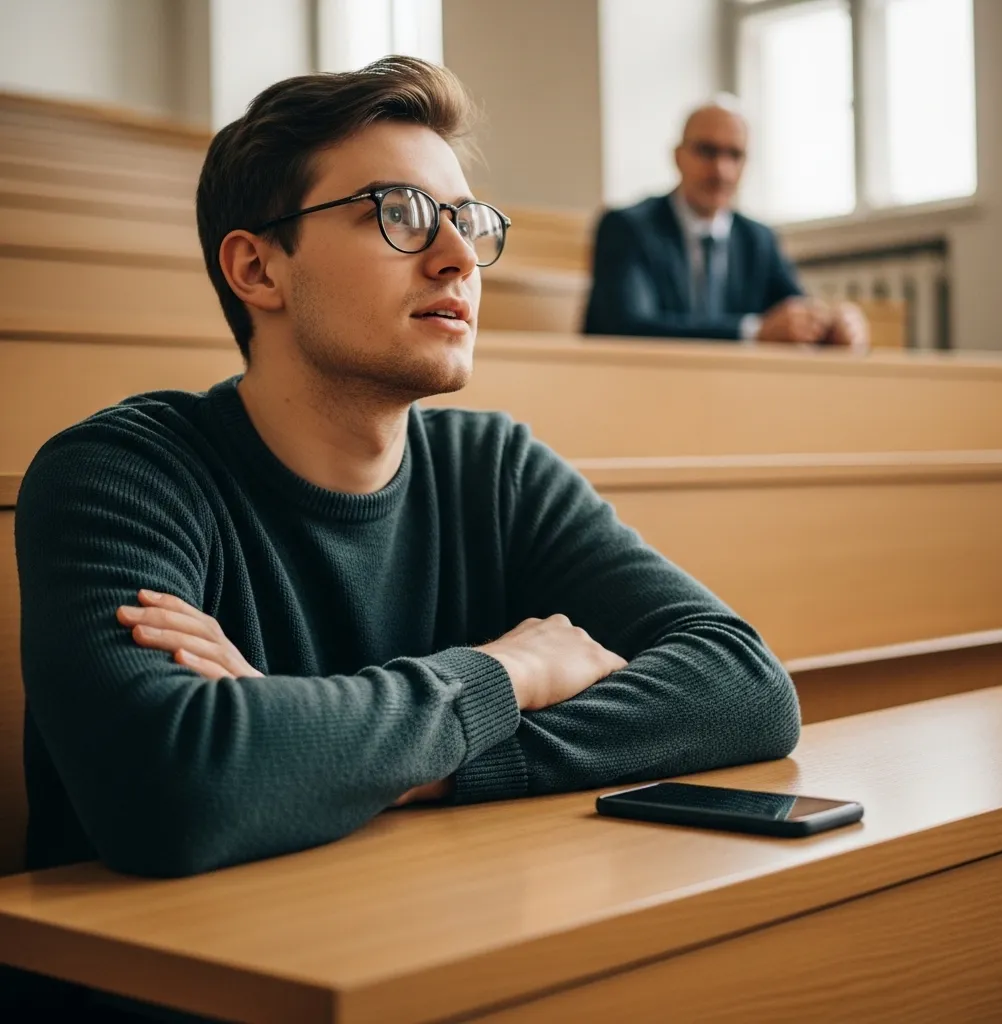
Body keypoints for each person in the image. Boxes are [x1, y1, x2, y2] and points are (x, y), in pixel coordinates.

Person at [16, 59, 800, 885]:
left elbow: (744, 687)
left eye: (466, 220)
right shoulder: (118, 477)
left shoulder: (494, 471)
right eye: (400, 213)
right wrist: (508, 674)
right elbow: (170, 789)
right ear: (257, 269)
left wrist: (346, 758)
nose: (460, 257)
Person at [583, 95, 867, 347]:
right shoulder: (627, 228)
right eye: (707, 151)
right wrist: (752, 332)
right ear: (678, 157)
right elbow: (629, 327)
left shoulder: (758, 239)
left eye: (734, 155)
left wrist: (833, 324)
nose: (721, 170)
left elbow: (795, 314)